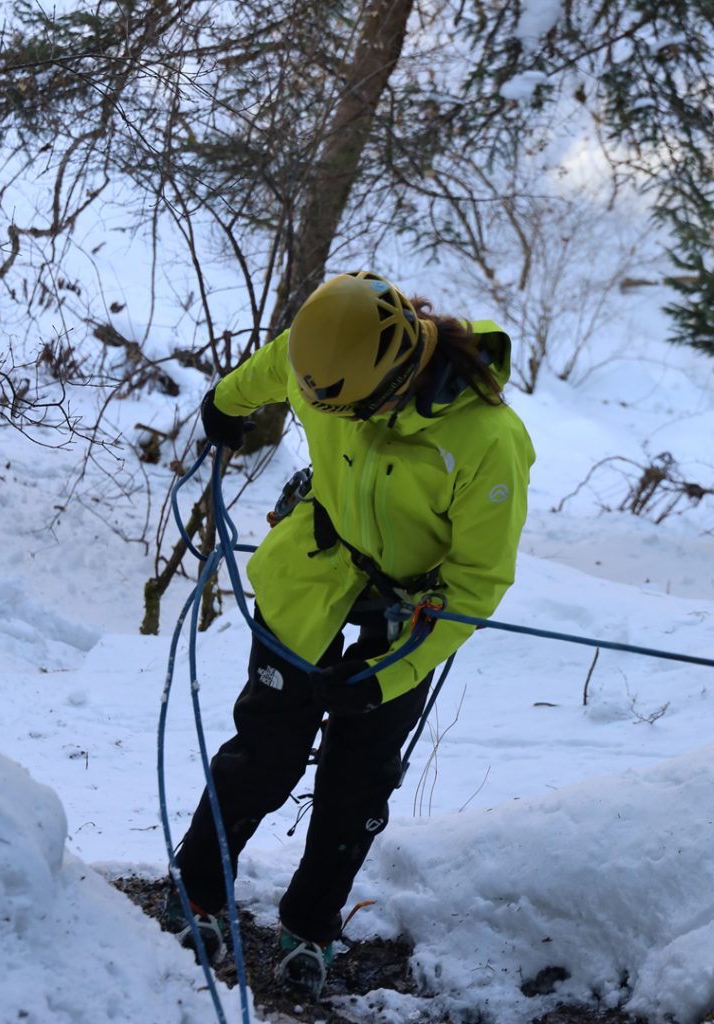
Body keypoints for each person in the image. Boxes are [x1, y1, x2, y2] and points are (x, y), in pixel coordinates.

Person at [168, 270, 535, 997]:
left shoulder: (489, 443)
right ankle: (201, 890)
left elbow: (475, 587)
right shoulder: (328, 364)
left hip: (406, 620)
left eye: (355, 406)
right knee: (265, 753)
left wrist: (389, 675)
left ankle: (311, 924)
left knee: (357, 782)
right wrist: (224, 402)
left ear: (397, 374)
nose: (336, 413)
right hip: (310, 577)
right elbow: (279, 366)